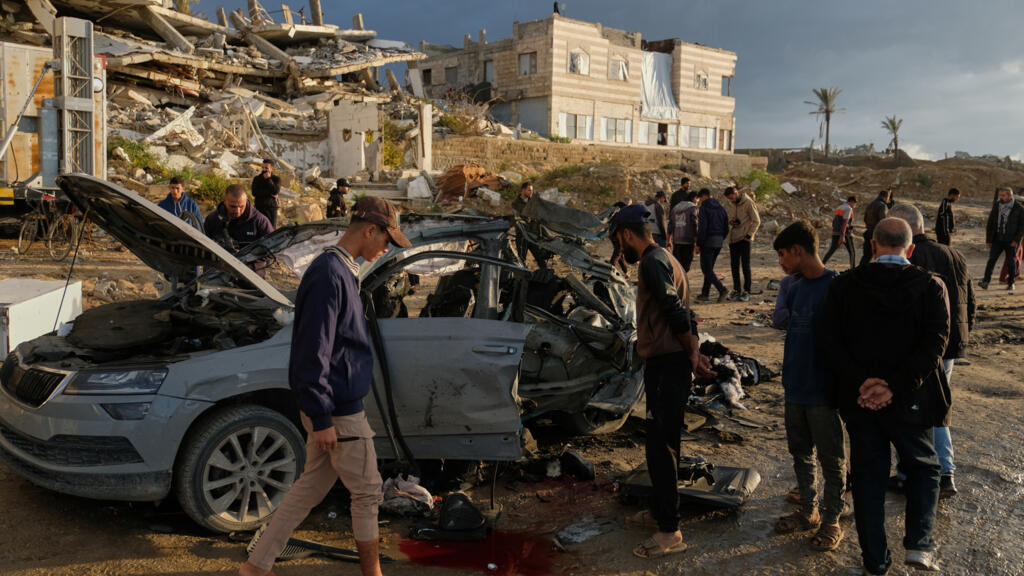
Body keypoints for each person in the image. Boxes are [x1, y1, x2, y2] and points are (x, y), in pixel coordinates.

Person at [239, 197, 411, 576]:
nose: (387, 249)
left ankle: (256, 566)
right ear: (370, 230)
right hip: (338, 411)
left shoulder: (341, 269)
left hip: (331, 406)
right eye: (387, 240)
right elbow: (312, 350)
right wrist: (321, 417)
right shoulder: (329, 274)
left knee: (308, 490)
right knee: (367, 493)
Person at [820, 217, 951, 575]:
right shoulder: (931, 286)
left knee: (868, 477)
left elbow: (829, 341)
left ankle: (874, 561)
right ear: (911, 248)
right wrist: (894, 385)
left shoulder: (844, 284)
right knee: (924, 467)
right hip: (913, 398)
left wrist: (864, 383)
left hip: (860, 400)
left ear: (873, 245)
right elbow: (936, 344)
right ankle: (919, 545)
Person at [607, 204, 714, 560]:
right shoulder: (668, 257)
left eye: (619, 240)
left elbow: (674, 311)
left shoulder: (651, 263)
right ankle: (658, 511)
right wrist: (694, 351)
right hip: (672, 362)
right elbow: (687, 313)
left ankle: (670, 531)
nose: (620, 248)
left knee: (661, 447)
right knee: (662, 442)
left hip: (667, 365)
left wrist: (692, 353)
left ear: (627, 234)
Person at [890, 203, 975, 498]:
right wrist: (963, 336)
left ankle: (911, 473)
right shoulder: (955, 254)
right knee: (936, 405)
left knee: (912, 408)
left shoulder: (909, 256)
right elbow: (970, 300)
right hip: (952, 343)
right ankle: (944, 473)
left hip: (922, 345)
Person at [771, 220, 845, 552]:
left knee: (831, 458)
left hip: (823, 391)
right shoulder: (793, 287)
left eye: (783, 255)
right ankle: (808, 510)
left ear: (797, 251)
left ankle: (832, 520)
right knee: (800, 452)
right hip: (795, 385)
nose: (781, 262)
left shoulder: (838, 287)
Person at [205, 184, 275, 276]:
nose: (237, 211)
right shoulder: (212, 219)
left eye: (241, 206)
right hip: (217, 275)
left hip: (251, 276)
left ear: (246, 201)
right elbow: (203, 247)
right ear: (224, 200)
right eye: (233, 206)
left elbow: (273, 249)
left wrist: (246, 256)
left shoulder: (260, 221)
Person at [980, 186, 1024, 291]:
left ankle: (1011, 283)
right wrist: (988, 240)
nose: (1001, 197)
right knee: (991, 260)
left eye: (1003, 195)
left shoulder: (1019, 208)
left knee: (1011, 262)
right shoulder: (997, 205)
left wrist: (1016, 240)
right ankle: (985, 281)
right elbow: (991, 222)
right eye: (1000, 195)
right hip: (997, 239)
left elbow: (1022, 227)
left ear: (1010, 196)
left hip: (1011, 240)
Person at [724, 187, 761, 301]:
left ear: (736, 193)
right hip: (733, 238)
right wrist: (732, 221)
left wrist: (749, 235)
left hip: (744, 239)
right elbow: (731, 217)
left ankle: (746, 291)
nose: (731, 200)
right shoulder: (733, 204)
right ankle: (737, 290)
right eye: (729, 199)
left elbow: (757, 221)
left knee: (745, 266)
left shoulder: (748, 203)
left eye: (732, 198)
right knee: (734, 266)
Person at [695, 188, 730, 303]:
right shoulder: (721, 208)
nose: (700, 201)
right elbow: (726, 227)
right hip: (718, 241)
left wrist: (699, 243)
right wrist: (720, 238)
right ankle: (705, 293)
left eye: (700, 198)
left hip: (708, 242)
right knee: (709, 269)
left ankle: (722, 289)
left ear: (703, 196)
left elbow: (702, 228)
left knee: (706, 269)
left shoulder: (704, 208)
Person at [821, 195, 857, 269]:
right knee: (852, 252)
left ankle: (821, 265)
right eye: (855, 203)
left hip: (836, 232)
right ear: (852, 202)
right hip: (845, 234)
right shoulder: (848, 208)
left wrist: (835, 231)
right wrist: (842, 235)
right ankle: (853, 269)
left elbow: (834, 221)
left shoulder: (840, 207)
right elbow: (845, 222)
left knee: (831, 251)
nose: (855, 205)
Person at [859, 189, 892, 266]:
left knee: (866, 256)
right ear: (886, 197)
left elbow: (865, 218)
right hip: (878, 234)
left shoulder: (871, 204)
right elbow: (883, 221)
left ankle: (860, 271)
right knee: (882, 256)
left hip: (868, 232)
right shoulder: (882, 206)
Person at [668, 191, 698, 272]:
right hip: (688, 240)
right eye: (697, 199)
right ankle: (682, 278)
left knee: (677, 264)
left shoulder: (675, 208)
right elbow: (695, 224)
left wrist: (668, 240)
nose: (697, 201)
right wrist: (696, 241)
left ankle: (678, 278)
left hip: (677, 240)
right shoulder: (693, 208)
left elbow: (670, 225)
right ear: (694, 198)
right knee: (686, 265)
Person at [251, 159, 281, 228]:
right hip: (259, 207)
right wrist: (270, 193)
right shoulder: (257, 179)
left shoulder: (276, 179)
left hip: (271, 208)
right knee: (259, 227)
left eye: (266, 168)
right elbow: (254, 192)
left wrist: (268, 179)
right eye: (263, 167)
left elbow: (275, 191)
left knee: (271, 229)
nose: (264, 170)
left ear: (271, 169)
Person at [609, 198, 633, 276]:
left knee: (619, 253)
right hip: (620, 235)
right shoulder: (625, 210)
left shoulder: (615, 208)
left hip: (612, 233)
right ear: (627, 203)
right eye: (630, 204)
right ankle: (608, 269)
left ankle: (626, 270)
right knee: (618, 253)